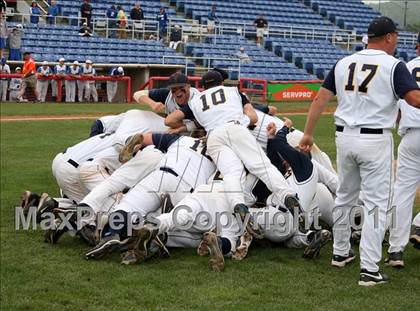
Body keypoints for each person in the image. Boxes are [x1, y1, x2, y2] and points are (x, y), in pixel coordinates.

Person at [299, 17, 420, 286]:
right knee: (376, 204)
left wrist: (308, 132)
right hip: (375, 140)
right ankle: (369, 269)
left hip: (345, 137)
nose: (397, 40)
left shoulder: (344, 62)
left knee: (344, 197)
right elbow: (414, 99)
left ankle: (340, 253)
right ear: (388, 37)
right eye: (396, 36)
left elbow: (321, 98)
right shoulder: (393, 64)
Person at [165, 70, 301, 226]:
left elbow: (169, 120)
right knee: (262, 166)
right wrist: (241, 120)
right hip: (235, 128)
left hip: (214, 137)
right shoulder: (233, 91)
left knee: (231, 173)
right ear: (221, 83)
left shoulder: (196, 101)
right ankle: (287, 195)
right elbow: (253, 117)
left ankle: (238, 205)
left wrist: (188, 125)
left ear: (203, 87)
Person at [386, 33, 420, 266]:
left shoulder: (405, 67)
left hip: (411, 136)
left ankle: (396, 250)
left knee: (403, 192)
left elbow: (397, 107)